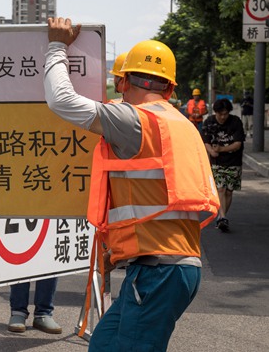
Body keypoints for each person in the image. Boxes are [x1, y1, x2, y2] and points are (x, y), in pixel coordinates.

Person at [44, 18, 219, 352]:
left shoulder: (134, 120)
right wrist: (121, 250)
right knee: (104, 344)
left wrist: (56, 46)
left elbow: (61, 101)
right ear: (170, 89)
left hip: (158, 273)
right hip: (167, 267)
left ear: (123, 82)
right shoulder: (181, 125)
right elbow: (158, 201)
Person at [201, 98, 245, 233]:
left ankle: (221, 217)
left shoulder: (236, 122)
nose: (223, 117)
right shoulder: (209, 122)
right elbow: (205, 141)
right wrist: (211, 151)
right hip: (217, 162)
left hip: (234, 161)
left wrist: (221, 149)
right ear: (215, 112)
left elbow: (237, 144)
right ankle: (223, 217)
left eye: (225, 114)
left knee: (229, 191)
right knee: (220, 189)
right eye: (220, 114)